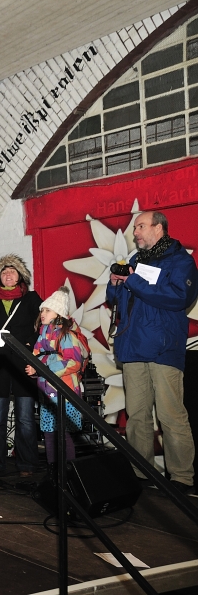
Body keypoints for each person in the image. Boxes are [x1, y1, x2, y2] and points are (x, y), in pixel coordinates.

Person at [108, 210, 198, 495]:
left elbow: (178, 298)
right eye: (135, 228)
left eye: (140, 226)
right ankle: (141, 472)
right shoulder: (136, 261)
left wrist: (133, 281)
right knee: (137, 415)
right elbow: (119, 301)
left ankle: (182, 477)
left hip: (163, 349)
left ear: (159, 228)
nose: (135, 232)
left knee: (171, 415)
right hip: (133, 347)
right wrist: (115, 285)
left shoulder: (181, 261)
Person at [0, 254, 41, 478]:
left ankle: (27, 464)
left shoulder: (31, 298)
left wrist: (30, 344)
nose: (8, 275)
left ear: (20, 276)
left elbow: (42, 325)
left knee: (25, 418)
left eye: (12, 271)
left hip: (24, 364)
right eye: (4, 272)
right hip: (0, 364)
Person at [25, 287, 88, 470]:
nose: (42, 313)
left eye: (48, 310)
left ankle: (69, 472)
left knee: (63, 434)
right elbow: (38, 357)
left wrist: (43, 369)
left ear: (58, 313)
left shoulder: (65, 335)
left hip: (64, 392)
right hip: (47, 392)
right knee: (49, 433)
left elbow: (73, 362)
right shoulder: (43, 335)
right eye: (42, 310)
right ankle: (54, 472)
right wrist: (34, 368)